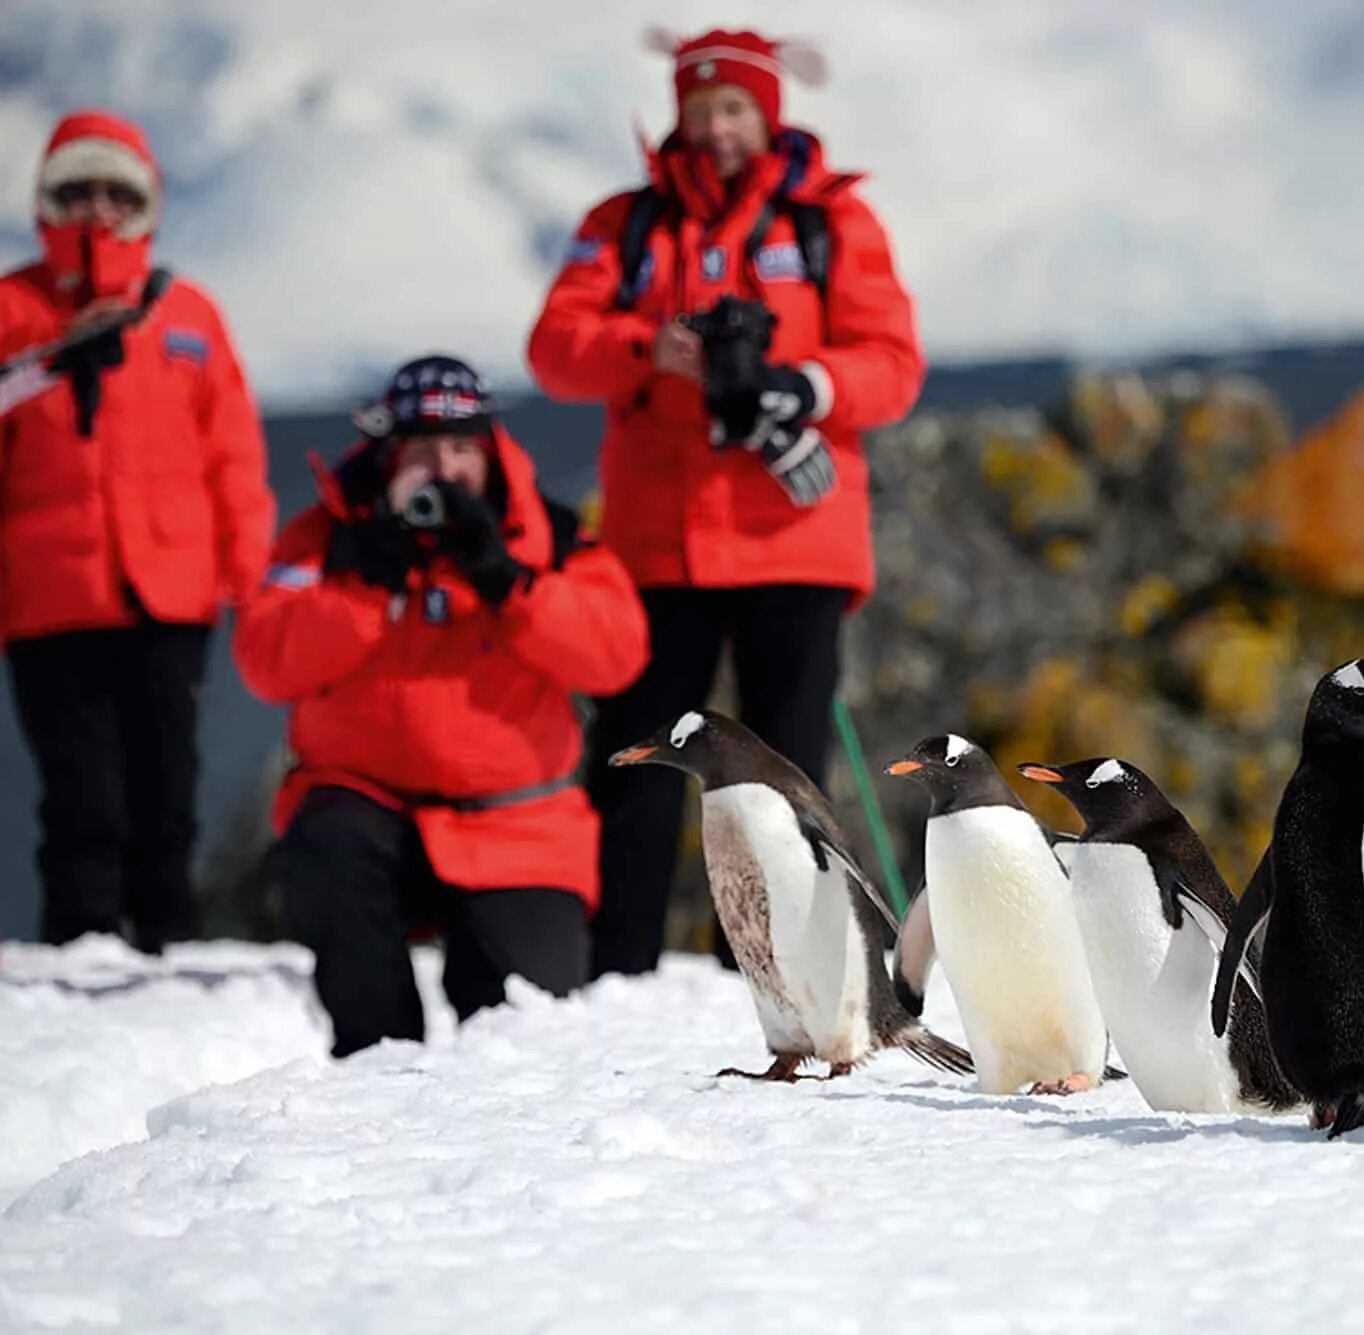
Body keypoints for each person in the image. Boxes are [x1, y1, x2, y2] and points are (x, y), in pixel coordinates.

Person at [527, 28, 926, 978]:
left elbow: (895, 365)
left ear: (771, 112)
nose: (716, 129)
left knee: (783, 770)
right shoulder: (624, 226)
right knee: (635, 763)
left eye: (735, 108)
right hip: (655, 543)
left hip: (795, 539)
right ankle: (611, 970)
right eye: (700, 109)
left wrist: (804, 387)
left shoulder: (833, 223)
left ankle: (771, 969)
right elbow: (553, 348)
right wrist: (646, 347)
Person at [232, 356, 648, 1056]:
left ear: (491, 455)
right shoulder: (329, 538)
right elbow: (264, 659)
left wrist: (510, 585)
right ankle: (377, 1065)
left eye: (461, 450)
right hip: (366, 811)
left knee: (524, 1031)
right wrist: (367, 584)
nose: (444, 471)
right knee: (327, 853)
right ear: (389, 458)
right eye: (422, 452)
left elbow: (617, 655)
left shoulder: (548, 536)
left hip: (517, 826)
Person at [0, 109, 274, 952]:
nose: (97, 210)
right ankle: (76, 966)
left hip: (171, 596)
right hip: (48, 600)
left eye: (115, 193)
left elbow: (233, 455)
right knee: (81, 802)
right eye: (76, 192)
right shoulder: (12, 311)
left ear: (144, 204)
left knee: (167, 792)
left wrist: (248, 579)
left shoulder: (188, 313)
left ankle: (168, 952)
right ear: (49, 202)